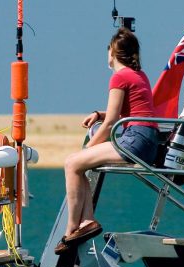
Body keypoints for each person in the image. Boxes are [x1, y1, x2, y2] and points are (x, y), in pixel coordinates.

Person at [54, 28, 159, 255]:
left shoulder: (119, 77)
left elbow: (112, 123)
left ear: (112, 52)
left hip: (136, 139)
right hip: (147, 139)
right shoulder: (139, 75)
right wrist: (99, 115)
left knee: (72, 163)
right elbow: (125, 112)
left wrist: (89, 146)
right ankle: (87, 220)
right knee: (80, 165)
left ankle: (71, 228)